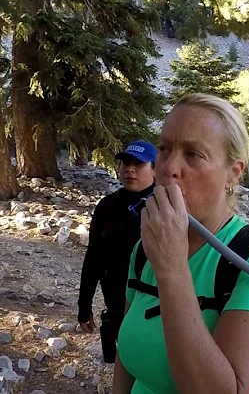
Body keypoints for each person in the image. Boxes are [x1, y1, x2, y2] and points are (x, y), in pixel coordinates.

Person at [113, 93, 249, 394]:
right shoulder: (146, 249)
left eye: (193, 155)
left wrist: (172, 269)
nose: (169, 167)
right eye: (165, 149)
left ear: (233, 175)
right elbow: (127, 350)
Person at [77, 139, 157, 363]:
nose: (130, 169)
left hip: (154, 309)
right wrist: (84, 306)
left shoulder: (166, 209)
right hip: (116, 304)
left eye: (139, 164)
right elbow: (93, 258)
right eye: (125, 163)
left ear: (155, 169)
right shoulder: (107, 206)